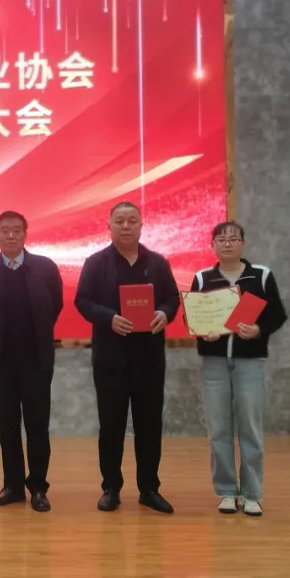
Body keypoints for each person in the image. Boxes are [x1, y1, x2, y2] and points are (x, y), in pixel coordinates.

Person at [74, 202, 179, 515]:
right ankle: (111, 488)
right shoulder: (96, 263)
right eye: (119, 221)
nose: (126, 226)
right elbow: (82, 301)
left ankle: (149, 489)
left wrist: (165, 313)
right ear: (109, 226)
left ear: (141, 225)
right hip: (110, 359)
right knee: (111, 426)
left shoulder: (158, 263)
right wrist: (108, 318)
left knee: (149, 425)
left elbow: (172, 298)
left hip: (149, 359)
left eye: (132, 220)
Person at [190, 221, 287, 517]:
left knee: (251, 429)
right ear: (212, 246)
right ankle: (227, 491)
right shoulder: (202, 278)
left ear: (243, 244)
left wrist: (258, 330)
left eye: (233, 239)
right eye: (221, 239)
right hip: (214, 364)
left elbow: (277, 315)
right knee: (219, 430)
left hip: (250, 362)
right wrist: (202, 332)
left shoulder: (261, 275)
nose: (227, 244)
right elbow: (192, 317)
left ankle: (252, 493)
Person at [0, 211, 63, 513]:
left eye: (16, 230)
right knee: (8, 424)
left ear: (25, 234)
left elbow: (55, 305)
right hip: (1, 360)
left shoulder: (45, 267)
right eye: (4, 231)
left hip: (37, 359)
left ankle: (38, 487)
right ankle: (12, 485)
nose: (10, 235)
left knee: (37, 423)